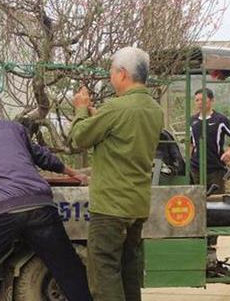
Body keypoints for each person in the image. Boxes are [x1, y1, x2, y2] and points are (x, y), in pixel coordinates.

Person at [0, 95, 92, 301]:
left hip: (1, 214)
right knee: (68, 266)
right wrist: (72, 172)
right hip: (40, 206)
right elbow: (41, 155)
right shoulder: (11, 128)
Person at [70, 46, 164, 301]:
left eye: (112, 72)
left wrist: (80, 109)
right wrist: (96, 116)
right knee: (127, 271)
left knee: (103, 272)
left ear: (122, 74)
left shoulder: (116, 107)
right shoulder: (154, 109)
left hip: (110, 207)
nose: (111, 76)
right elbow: (122, 132)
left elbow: (79, 137)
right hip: (136, 205)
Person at [190, 88, 230, 193]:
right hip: (196, 169)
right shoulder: (192, 121)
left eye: (203, 100)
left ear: (211, 101)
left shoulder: (220, 119)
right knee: (197, 202)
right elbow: (191, 144)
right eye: (197, 100)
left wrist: (229, 152)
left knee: (216, 202)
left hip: (215, 169)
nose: (200, 103)